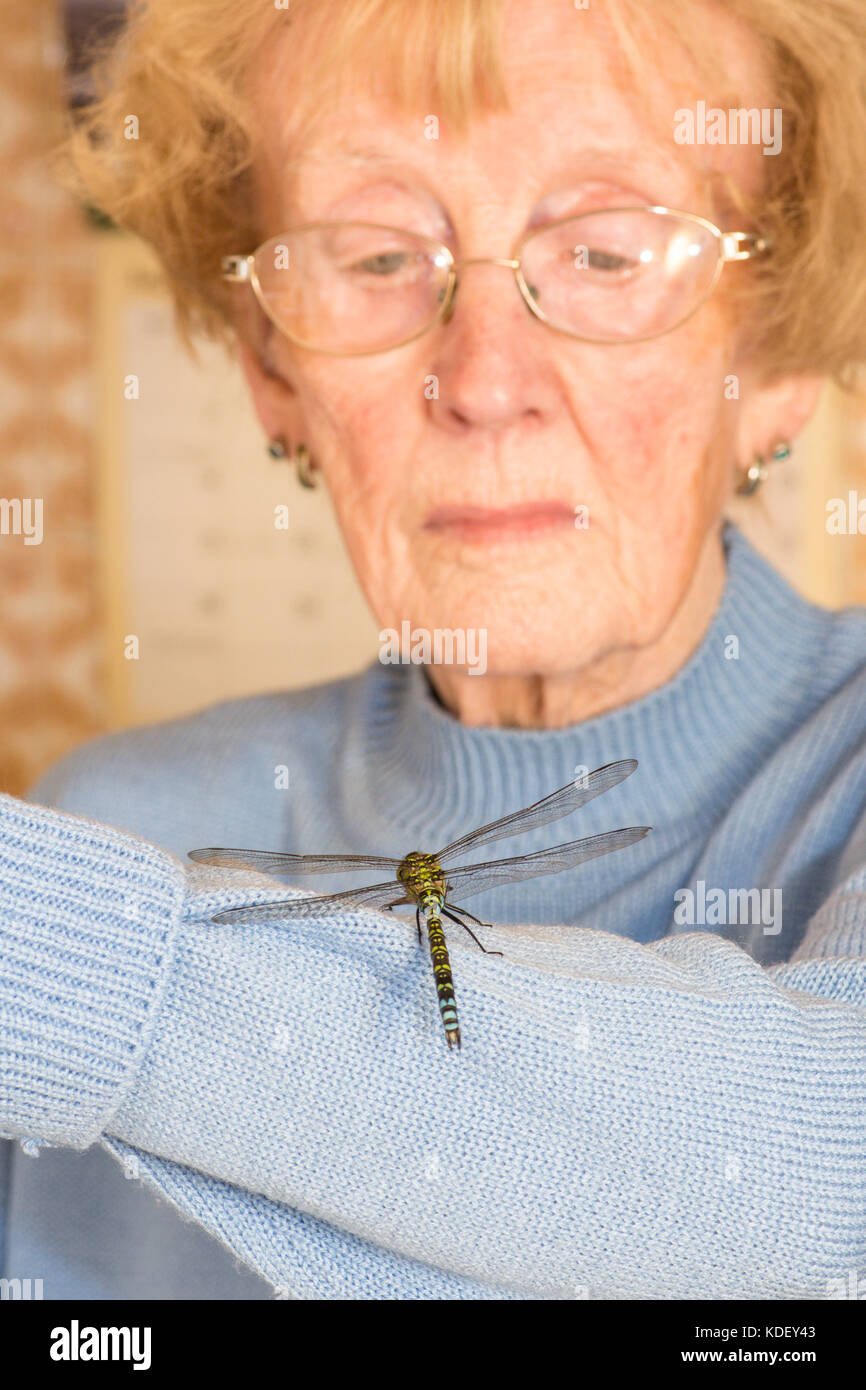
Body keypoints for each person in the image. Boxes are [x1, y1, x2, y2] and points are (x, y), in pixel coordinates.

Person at [3, 0, 865, 1299]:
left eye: (608, 253)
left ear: (781, 348)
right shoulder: (118, 824)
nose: (481, 376)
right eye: (373, 256)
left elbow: (817, 1170)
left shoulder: (67, 909)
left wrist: (67, 961)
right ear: (270, 369)